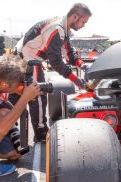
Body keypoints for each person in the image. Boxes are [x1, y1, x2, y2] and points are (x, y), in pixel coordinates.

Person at [11, 3, 92, 142]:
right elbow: (56, 62)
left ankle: (9, 130)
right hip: (27, 60)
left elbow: (69, 54)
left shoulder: (62, 27)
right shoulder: (57, 29)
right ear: (75, 16)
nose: (83, 25)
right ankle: (41, 133)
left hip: (22, 58)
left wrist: (83, 65)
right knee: (38, 94)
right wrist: (77, 81)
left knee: (15, 96)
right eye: (83, 21)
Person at [0, 55, 40, 177]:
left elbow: (17, 88)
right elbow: (0, 126)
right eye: (19, 84)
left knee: (14, 154)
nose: (20, 87)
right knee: (4, 116)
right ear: (4, 84)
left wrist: (30, 90)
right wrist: (25, 98)